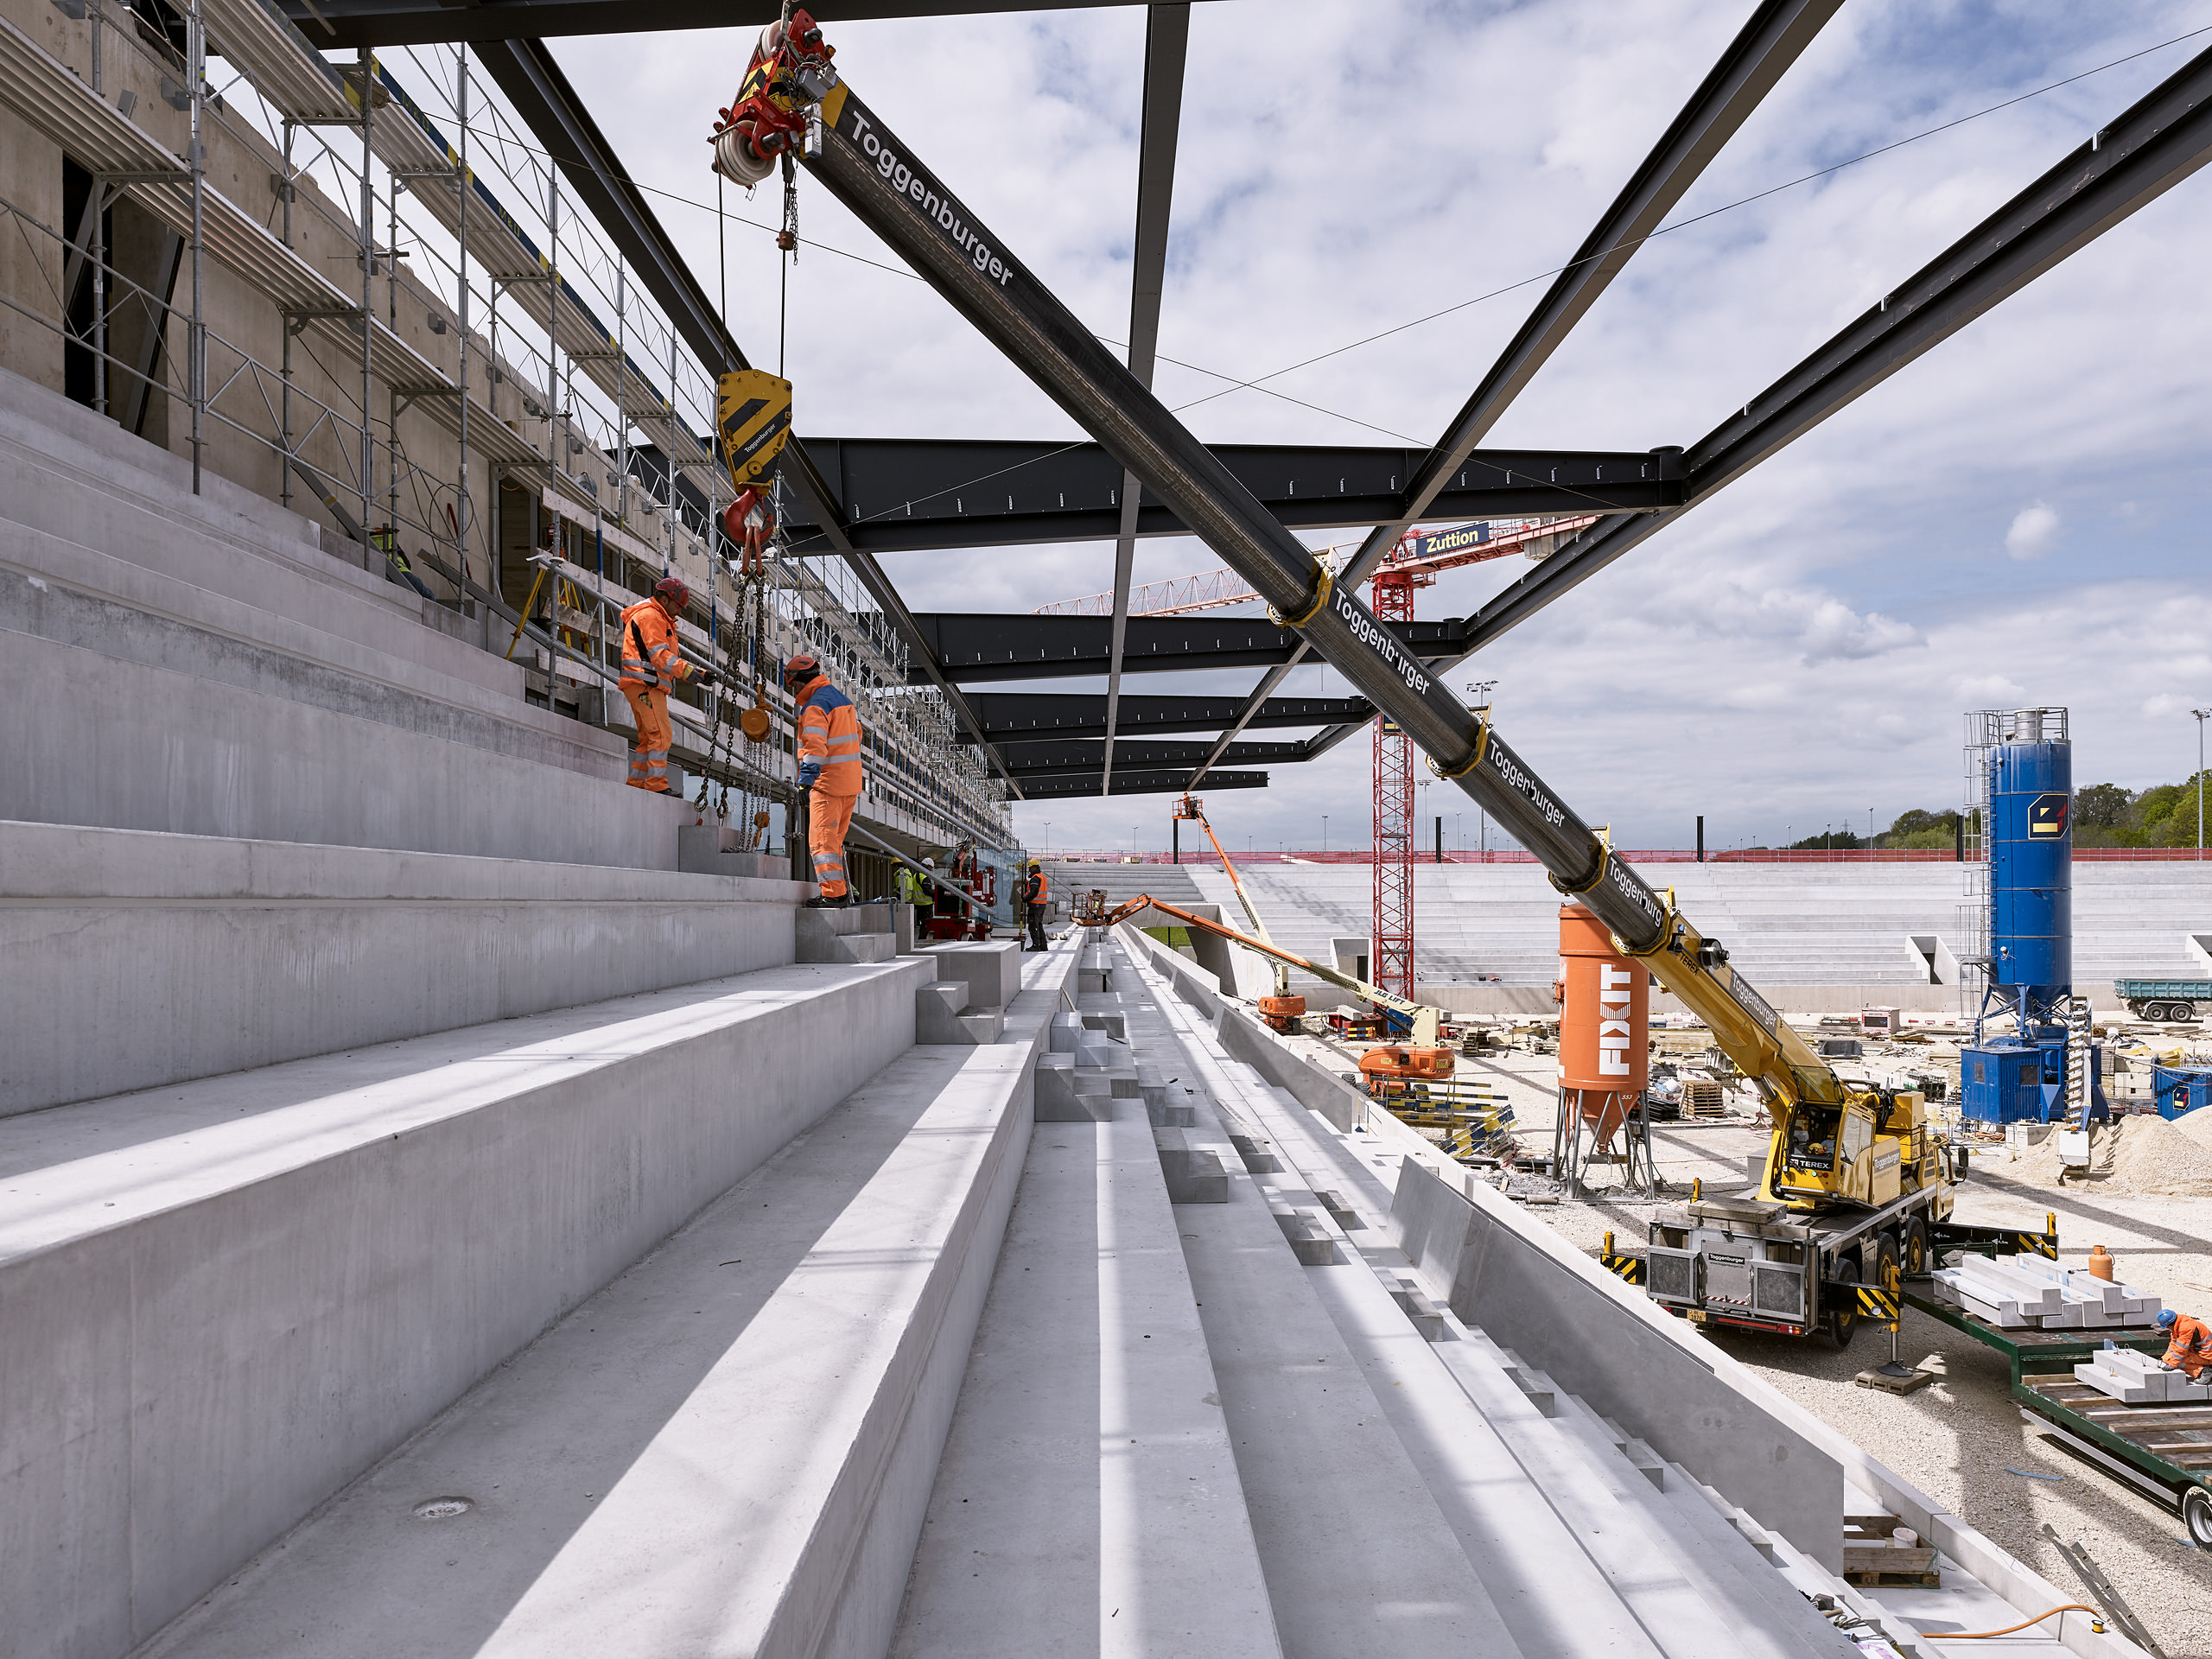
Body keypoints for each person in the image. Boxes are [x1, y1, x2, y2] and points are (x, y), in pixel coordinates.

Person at [785, 652, 861, 907]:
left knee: (821, 842)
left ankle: (833, 894)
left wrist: (805, 781)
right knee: (834, 841)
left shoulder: (815, 706)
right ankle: (840, 891)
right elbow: (856, 734)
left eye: (792, 684)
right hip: (849, 784)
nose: (792, 689)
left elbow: (815, 748)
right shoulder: (842, 700)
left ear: (799, 680)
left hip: (827, 786)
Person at [619, 576, 707, 791]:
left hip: (641, 683)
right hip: (646, 684)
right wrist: (690, 673)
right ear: (666, 599)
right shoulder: (651, 617)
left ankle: (637, 783)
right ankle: (655, 785)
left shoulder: (653, 616)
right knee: (660, 734)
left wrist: (699, 673)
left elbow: (662, 656)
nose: (679, 611)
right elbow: (660, 656)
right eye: (678, 606)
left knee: (648, 738)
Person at [2157, 1307, 2212, 1381]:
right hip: (2198, 1352)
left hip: (2207, 1356)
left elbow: (2181, 1349)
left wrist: (2173, 1364)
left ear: (2169, 1325)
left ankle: (2203, 1371)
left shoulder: (2186, 1328)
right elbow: (2174, 1344)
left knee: (2179, 1363)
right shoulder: (2178, 1323)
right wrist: (2165, 1358)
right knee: (2169, 1359)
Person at [899, 855, 935, 938]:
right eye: (931, 868)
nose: (931, 870)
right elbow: (927, 891)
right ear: (928, 866)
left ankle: (921, 938)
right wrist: (936, 893)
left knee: (922, 924)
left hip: (918, 905)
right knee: (926, 924)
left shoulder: (916, 875)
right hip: (926, 905)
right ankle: (923, 939)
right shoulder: (924, 878)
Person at [1023, 858, 1048, 951]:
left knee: (1033, 926)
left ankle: (1036, 945)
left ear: (1034, 867)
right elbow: (1036, 887)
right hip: (1041, 905)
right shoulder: (1042, 877)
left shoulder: (1035, 878)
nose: (1029, 870)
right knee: (1039, 926)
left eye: (1030, 868)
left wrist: (1024, 899)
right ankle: (1043, 945)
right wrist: (1028, 883)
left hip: (1035, 905)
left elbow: (1034, 891)